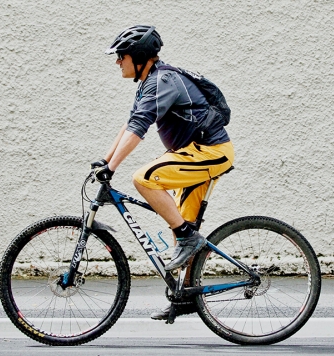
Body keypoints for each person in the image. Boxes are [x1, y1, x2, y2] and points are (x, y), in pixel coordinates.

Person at [90, 25, 234, 320]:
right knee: (182, 225)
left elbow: (139, 127)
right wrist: (105, 161)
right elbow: (130, 122)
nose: (118, 61)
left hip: (209, 152)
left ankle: (187, 237)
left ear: (139, 56)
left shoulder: (162, 80)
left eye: (121, 55)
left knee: (144, 178)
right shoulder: (148, 82)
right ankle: (185, 298)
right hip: (194, 153)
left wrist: (113, 168)